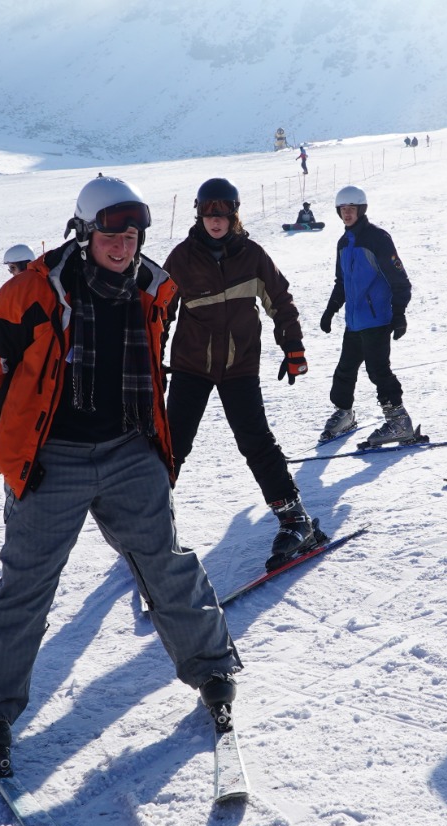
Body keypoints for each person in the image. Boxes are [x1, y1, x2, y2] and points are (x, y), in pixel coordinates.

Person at [0, 175, 243, 775]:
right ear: (86, 233)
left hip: (129, 446)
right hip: (52, 458)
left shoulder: (152, 288)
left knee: (165, 561)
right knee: (27, 584)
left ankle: (212, 666)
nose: (123, 244)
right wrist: (17, 419)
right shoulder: (35, 291)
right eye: (112, 232)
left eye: (132, 232)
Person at [162, 178, 323, 568]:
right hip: (191, 366)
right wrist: (149, 361)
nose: (214, 221)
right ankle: (149, 521)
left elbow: (280, 302)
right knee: (171, 443)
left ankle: (294, 518)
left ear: (234, 215)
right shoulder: (182, 259)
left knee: (255, 441)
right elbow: (158, 315)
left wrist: (293, 348)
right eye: (207, 213)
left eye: (222, 214)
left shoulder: (252, 255)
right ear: (199, 214)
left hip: (239, 367)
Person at [319, 185, 415, 445]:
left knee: (378, 371)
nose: (347, 213)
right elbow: (342, 282)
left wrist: (399, 314)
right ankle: (345, 414)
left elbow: (399, 279)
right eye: (343, 209)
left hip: (377, 319)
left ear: (361, 210)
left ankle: (399, 422)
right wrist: (330, 310)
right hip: (354, 321)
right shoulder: (343, 243)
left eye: (352, 209)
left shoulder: (378, 238)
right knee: (345, 370)